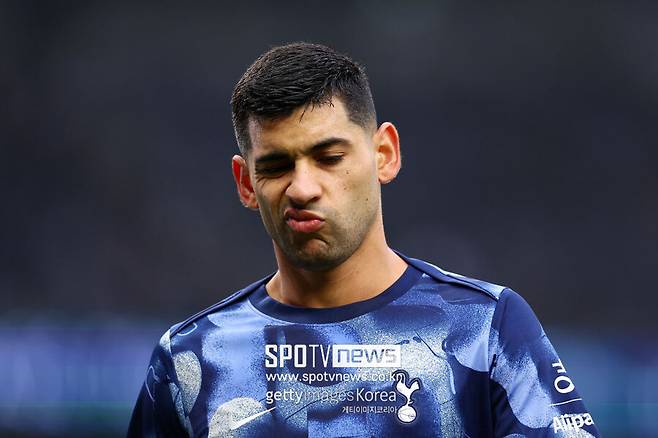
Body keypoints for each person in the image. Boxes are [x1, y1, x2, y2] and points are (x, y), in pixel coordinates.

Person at [128, 42, 599, 437]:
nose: (303, 188)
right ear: (246, 183)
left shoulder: (484, 328)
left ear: (384, 154)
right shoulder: (190, 359)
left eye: (329, 157)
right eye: (275, 166)